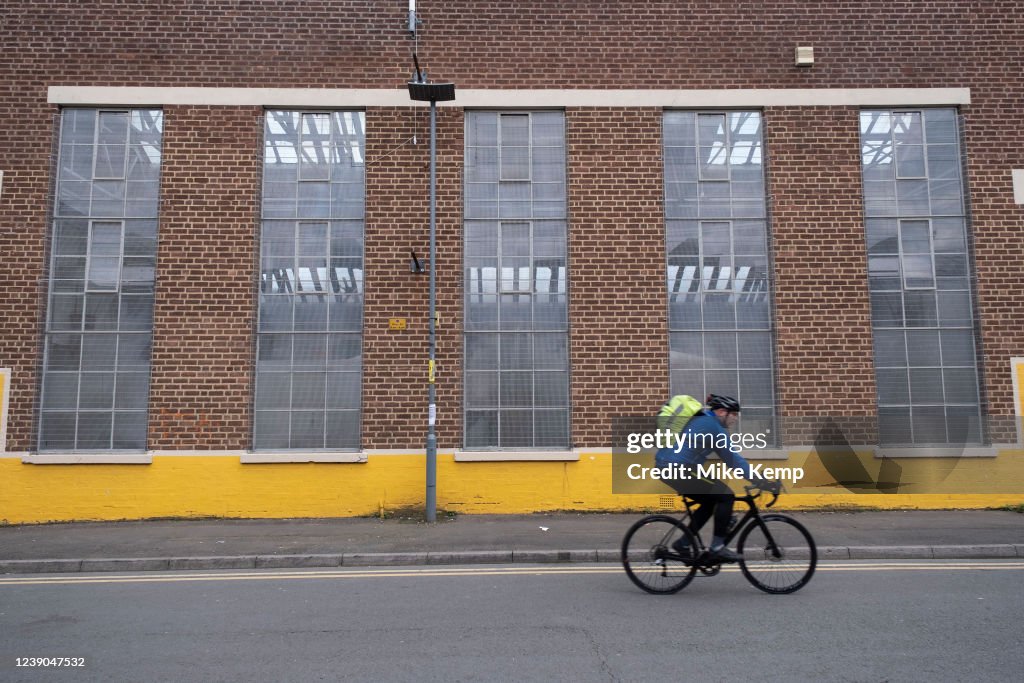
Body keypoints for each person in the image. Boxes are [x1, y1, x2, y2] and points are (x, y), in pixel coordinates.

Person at [654, 394, 779, 563]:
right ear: (721, 412)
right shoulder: (713, 426)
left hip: (670, 468)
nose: (735, 418)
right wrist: (759, 480)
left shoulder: (704, 421)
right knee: (726, 495)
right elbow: (733, 460)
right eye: (733, 414)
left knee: (710, 502)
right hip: (678, 468)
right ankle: (717, 548)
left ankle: (683, 544)